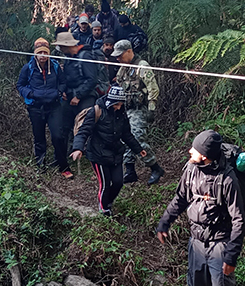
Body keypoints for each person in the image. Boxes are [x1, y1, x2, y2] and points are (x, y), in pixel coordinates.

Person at [156, 130, 245, 286]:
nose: (190, 151)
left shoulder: (227, 179)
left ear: (205, 155)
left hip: (220, 244)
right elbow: (180, 198)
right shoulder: (190, 169)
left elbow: (239, 220)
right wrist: (165, 222)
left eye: (194, 149)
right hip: (196, 242)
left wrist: (231, 257)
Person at [71, 86, 147, 216]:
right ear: (110, 102)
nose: (118, 107)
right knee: (105, 184)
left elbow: (126, 134)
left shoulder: (122, 113)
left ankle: (108, 202)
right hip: (98, 154)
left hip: (115, 153)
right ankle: (104, 210)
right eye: (116, 104)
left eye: (121, 104)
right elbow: (84, 131)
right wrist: (78, 148)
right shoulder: (96, 112)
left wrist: (138, 149)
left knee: (118, 182)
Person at [16, 38, 73, 178]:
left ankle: (63, 166)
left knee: (58, 136)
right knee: (39, 137)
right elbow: (20, 85)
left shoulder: (55, 66)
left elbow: (63, 82)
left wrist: (59, 92)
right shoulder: (28, 68)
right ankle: (41, 166)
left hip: (54, 106)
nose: (42, 55)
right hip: (36, 107)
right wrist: (30, 94)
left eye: (45, 52)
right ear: (35, 53)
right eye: (40, 52)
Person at [113, 39, 164, 185]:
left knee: (136, 138)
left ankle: (155, 167)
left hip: (140, 109)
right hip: (126, 109)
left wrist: (152, 109)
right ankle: (130, 170)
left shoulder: (142, 66)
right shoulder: (123, 68)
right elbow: (119, 85)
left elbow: (153, 89)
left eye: (120, 55)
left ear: (129, 51)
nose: (118, 59)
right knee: (124, 138)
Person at [54, 31, 108, 118]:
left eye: (61, 47)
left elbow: (92, 79)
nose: (61, 50)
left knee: (85, 121)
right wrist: (64, 90)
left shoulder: (85, 56)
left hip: (86, 96)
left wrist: (78, 96)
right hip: (70, 95)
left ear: (66, 46)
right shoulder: (68, 58)